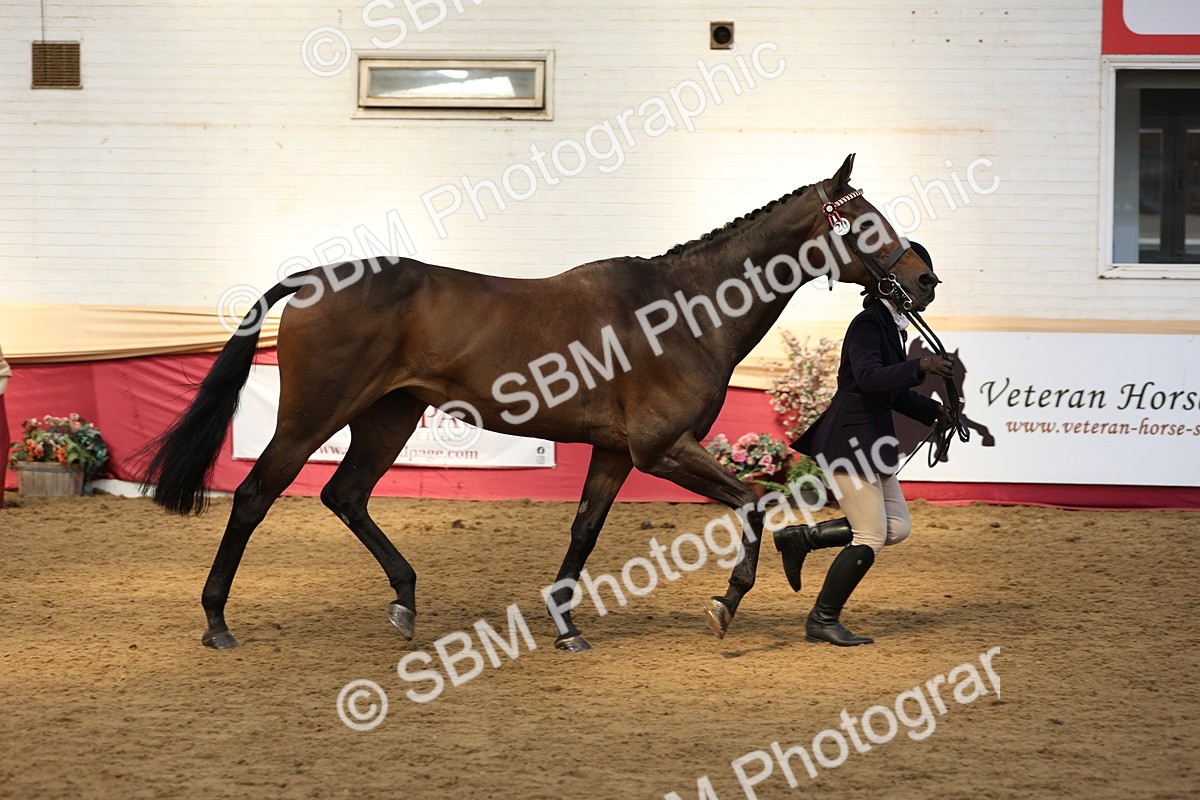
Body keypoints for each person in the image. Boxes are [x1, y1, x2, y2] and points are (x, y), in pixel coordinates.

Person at [773, 241, 954, 646]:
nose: (926, 295)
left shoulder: (890, 327)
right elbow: (870, 379)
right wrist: (920, 366)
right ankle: (822, 619)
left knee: (897, 527)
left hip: (872, 440)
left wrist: (933, 413)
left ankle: (800, 538)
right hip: (850, 440)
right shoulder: (868, 324)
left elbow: (887, 391)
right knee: (870, 534)